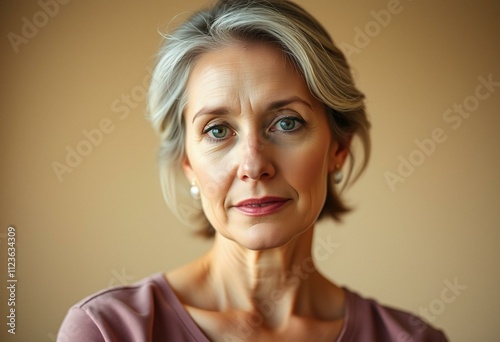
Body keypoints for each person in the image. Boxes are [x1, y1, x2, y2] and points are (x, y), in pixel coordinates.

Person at [58, 0, 448, 341]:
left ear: (338, 149)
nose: (254, 164)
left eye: (287, 122)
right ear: (189, 164)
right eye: (217, 130)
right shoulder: (108, 331)